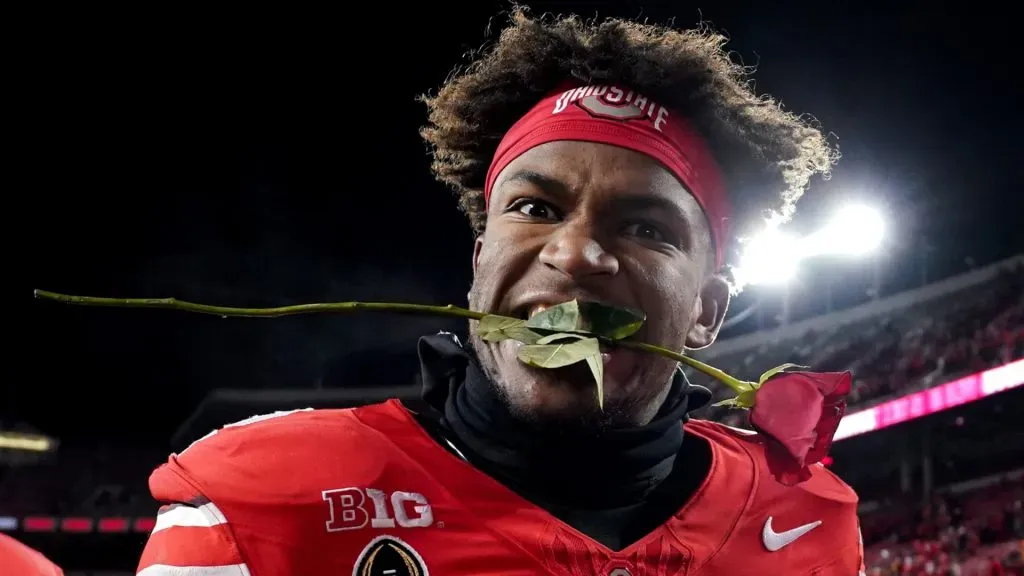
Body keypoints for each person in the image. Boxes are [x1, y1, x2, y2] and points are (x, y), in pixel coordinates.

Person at [136, 8, 863, 576]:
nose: (575, 252)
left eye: (644, 225)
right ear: (481, 262)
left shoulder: (805, 517)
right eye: (537, 209)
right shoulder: (262, 506)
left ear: (706, 309)